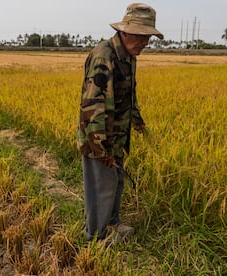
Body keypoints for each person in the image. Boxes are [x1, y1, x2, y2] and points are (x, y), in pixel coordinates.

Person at [77, 3, 163, 242]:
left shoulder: (128, 55)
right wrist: (102, 149)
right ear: (126, 32)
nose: (146, 42)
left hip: (117, 135)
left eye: (148, 37)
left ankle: (112, 223)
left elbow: (129, 95)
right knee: (101, 187)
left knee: (115, 182)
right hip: (99, 137)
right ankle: (95, 237)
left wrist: (138, 123)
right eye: (143, 36)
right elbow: (92, 106)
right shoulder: (104, 57)